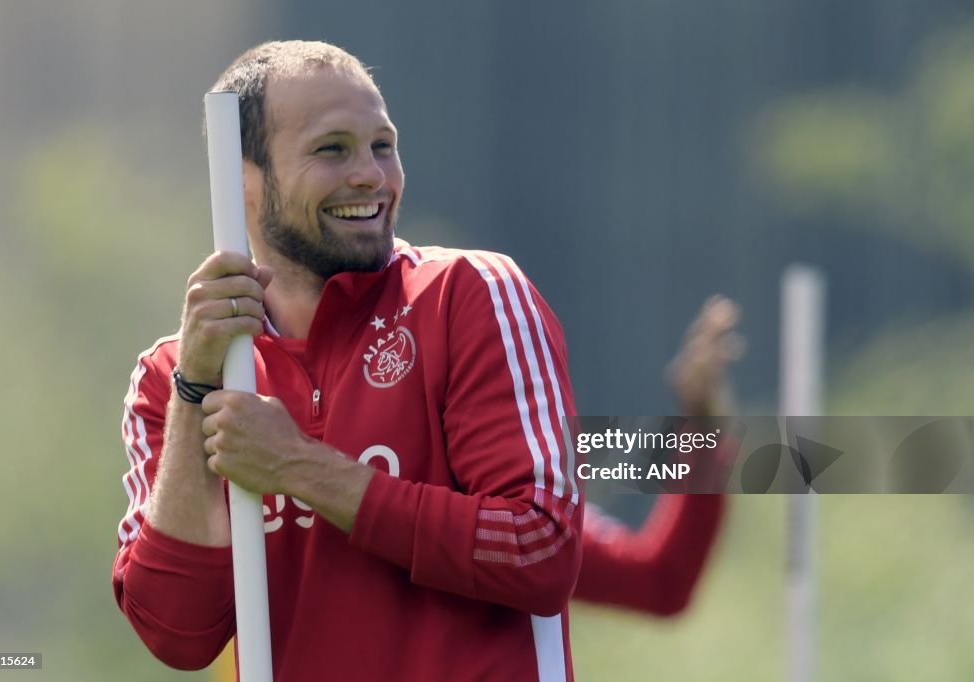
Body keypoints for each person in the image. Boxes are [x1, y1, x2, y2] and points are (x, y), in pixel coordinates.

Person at [112, 40, 738, 681]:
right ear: (241, 179)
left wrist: (303, 468)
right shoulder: (174, 377)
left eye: (383, 145)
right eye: (333, 149)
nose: (371, 175)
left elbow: (547, 548)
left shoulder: (471, 297)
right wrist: (194, 392)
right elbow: (177, 635)